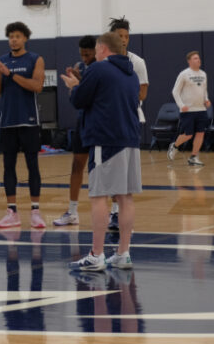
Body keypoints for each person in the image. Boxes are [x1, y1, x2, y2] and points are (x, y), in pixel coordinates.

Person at [60, 32, 141, 271]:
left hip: (105, 141)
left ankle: (96, 255)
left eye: (96, 50)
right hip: (131, 140)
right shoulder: (132, 73)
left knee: (98, 196)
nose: (94, 54)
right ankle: (123, 253)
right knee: (125, 197)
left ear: (103, 49)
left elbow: (79, 101)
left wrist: (74, 86)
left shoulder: (98, 69)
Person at [0, 22, 46, 229]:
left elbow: (37, 86)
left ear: (25, 39)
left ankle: (36, 212)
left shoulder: (35, 59)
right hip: (8, 121)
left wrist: (10, 74)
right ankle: (12, 212)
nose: (14, 39)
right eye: (11, 36)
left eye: (18, 36)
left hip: (29, 119)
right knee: (8, 166)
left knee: (33, 165)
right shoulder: (2, 61)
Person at [107, 16, 148, 231]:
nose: (123, 39)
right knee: (112, 168)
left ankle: (119, 213)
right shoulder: (103, 61)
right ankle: (114, 212)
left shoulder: (137, 62)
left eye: (126, 36)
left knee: (125, 171)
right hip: (108, 121)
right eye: (119, 36)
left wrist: (124, 99)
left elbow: (143, 91)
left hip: (130, 119)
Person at [54, 35, 97, 227]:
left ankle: (112, 212)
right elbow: (82, 94)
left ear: (96, 51)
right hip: (83, 121)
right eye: (82, 54)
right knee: (76, 166)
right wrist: (78, 78)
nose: (84, 57)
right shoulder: (82, 66)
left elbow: (92, 94)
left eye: (87, 54)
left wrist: (77, 85)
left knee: (102, 170)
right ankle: (72, 211)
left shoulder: (102, 68)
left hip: (99, 124)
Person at [168, 51, 210, 167]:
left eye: (198, 58)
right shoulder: (184, 74)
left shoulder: (203, 74)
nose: (198, 60)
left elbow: (204, 89)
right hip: (188, 111)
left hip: (201, 109)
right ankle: (175, 146)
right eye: (195, 58)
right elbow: (175, 91)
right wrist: (181, 105)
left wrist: (206, 99)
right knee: (188, 134)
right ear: (189, 61)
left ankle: (193, 157)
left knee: (200, 133)